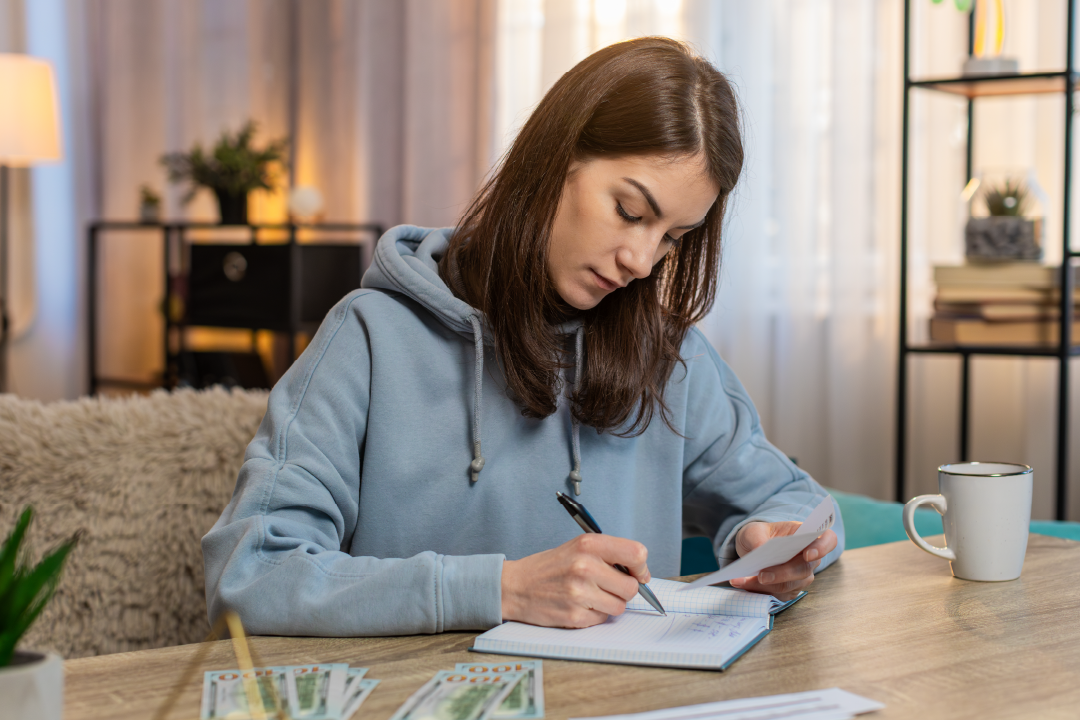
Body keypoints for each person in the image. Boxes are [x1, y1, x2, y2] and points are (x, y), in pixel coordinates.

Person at [202, 36, 843, 637]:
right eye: (629, 211)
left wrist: (771, 538)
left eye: (672, 239)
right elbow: (250, 575)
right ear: (554, 159)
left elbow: (801, 502)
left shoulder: (667, 357)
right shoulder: (368, 338)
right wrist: (501, 590)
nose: (642, 262)